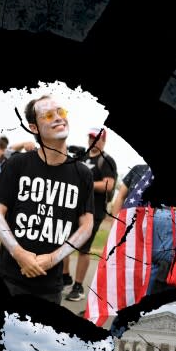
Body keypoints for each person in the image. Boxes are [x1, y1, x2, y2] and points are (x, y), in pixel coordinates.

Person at [0, 94, 94, 305]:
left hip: (49, 288)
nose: (58, 118)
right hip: (7, 279)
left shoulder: (82, 174)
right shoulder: (18, 164)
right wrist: (19, 253)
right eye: (48, 115)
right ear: (34, 128)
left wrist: (53, 258)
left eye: (61, 112)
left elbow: (87, 224)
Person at [64, 127, 117, 302]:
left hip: (94, 211)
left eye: (97, 138)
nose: (93, 141)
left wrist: (87, 183)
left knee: (83, 249)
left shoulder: (107, 161)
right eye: (91, 137)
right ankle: (65, 277)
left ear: (103, 141)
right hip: (74, 208)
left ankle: (78, 286)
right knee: (65, 242)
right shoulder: (82, 156)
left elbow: (109, 185)